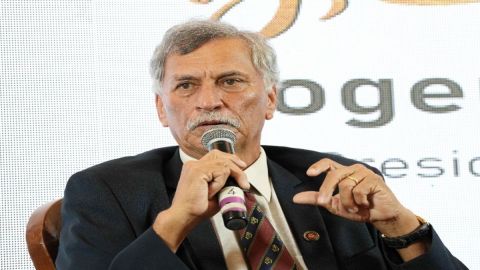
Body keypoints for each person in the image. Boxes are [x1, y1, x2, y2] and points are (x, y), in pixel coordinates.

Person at [56, 20, 467, 270]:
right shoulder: (106, 191)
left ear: (270, 99)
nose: (209, 101)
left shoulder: (333, 180)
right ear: (162, 110)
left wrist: (399, 226)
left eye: (230, 81)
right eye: (186, 85)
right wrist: (174, 222)